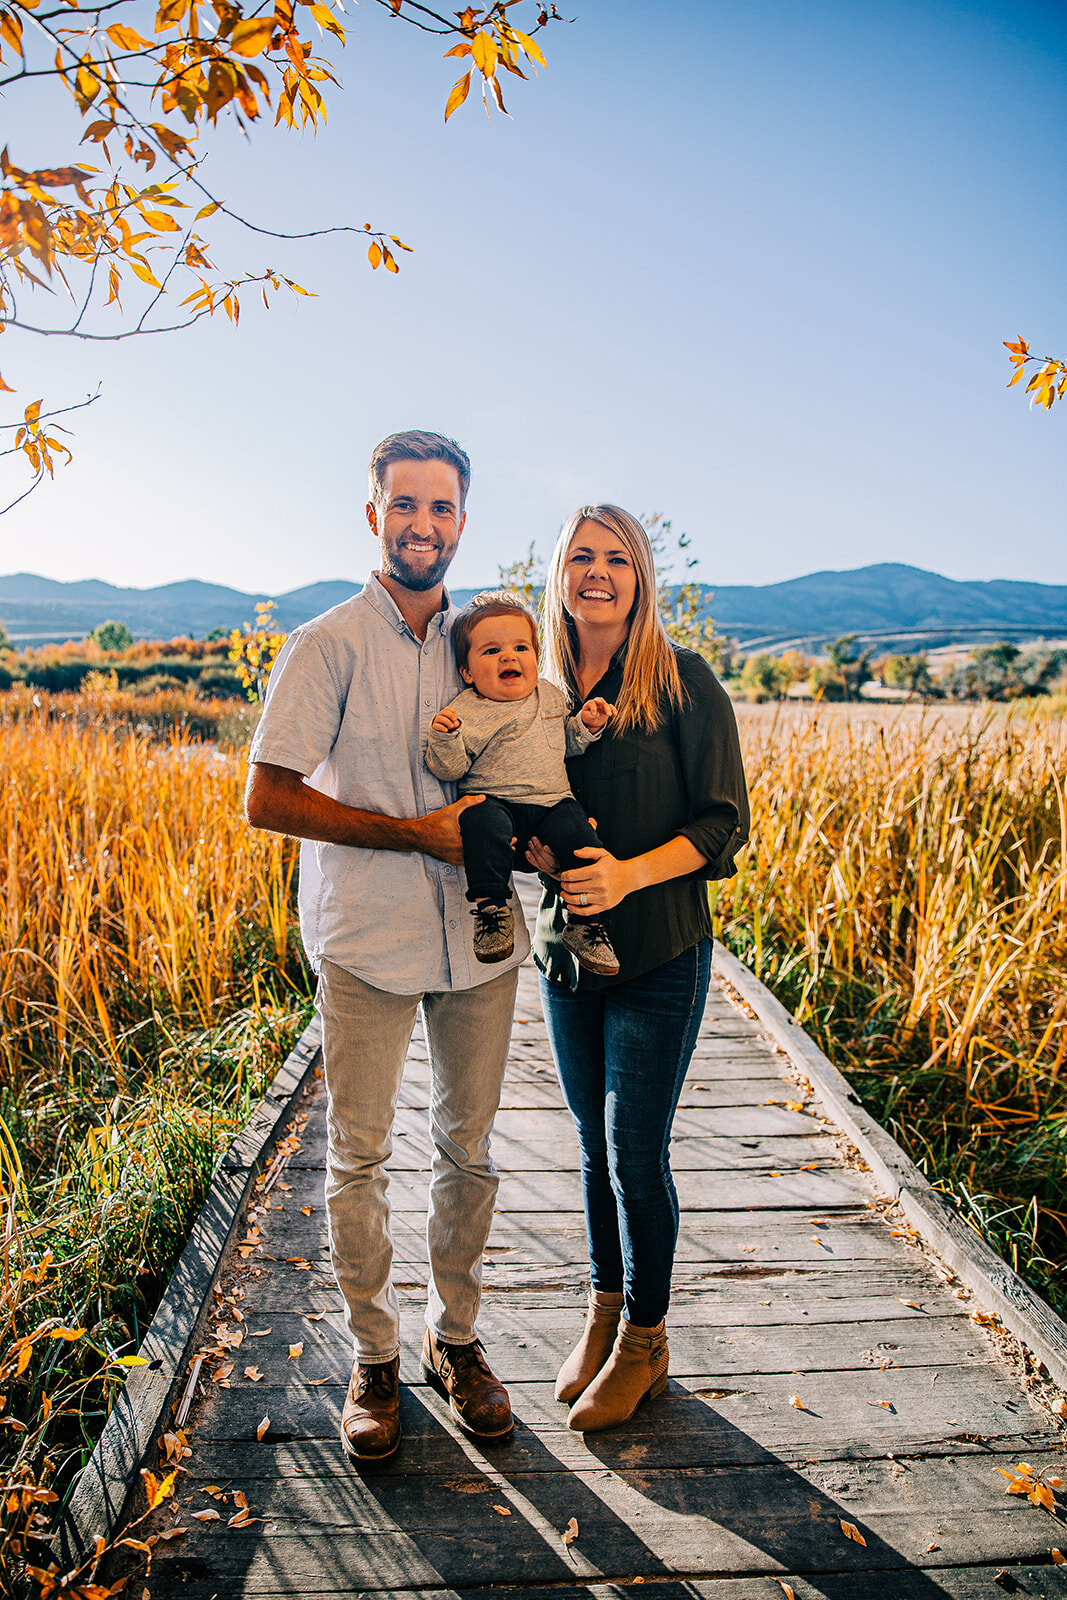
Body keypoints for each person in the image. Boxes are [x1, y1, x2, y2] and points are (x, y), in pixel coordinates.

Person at [244, 430, 522, 1466]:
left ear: (460, 520)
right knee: (359, 1154)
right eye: (404, 505)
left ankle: (457, 1341)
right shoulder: (326, 643)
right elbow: (264, 797)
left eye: (441, 507)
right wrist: (413, 833)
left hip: (482, 943)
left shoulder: (489, 637)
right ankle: (374, 1355)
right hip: (365, 937)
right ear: (374, 516)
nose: (423, 525)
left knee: (470, 1150)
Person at [529, 503, 750, 1432]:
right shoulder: (532, 692)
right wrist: (540, 856)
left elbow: (722, 822)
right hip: (566, 959)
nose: (598, 572)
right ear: (560, 575)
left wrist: (625, 874)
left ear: (640, 577)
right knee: (588, 1147)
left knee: (633, 1150)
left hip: (660, 949)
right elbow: (507, 805)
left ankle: (648, 1343)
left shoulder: (681, 682)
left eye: (616, 558)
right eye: (581, 556)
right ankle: (604, 1310)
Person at [424, 589, 619, 975]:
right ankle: (492, 913)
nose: (509, 656)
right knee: (479, 822)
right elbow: (451, 770)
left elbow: (568, 743)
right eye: (491, 651)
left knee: (581, 838)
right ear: (467, 672)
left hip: (553, 803)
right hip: (497, 803)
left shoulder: (549, 696)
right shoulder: (465, 708)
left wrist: (586, 724)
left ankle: (585, 925)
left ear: (535, 657)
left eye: (520, 648)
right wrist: (444, 739)